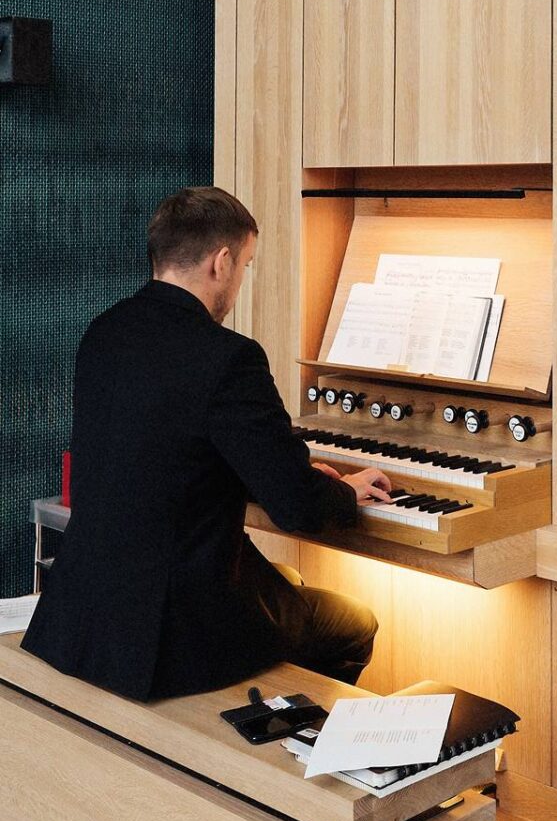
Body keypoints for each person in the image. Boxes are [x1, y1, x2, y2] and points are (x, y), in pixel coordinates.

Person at [23, 187, 392, 701]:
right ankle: (284, 741)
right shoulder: (230, 357)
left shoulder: (105, 332)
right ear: (221, 262)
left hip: (80, 611)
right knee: (354, 621)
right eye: (246, 265)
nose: (240, 282)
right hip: (168, 637)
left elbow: (167, 447)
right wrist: (345, 492)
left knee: (280, 581)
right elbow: (295, 507)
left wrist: (278, 473)